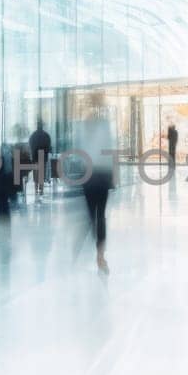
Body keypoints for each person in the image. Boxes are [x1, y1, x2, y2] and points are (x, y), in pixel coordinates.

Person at [77, 96, 115, 274]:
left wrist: (114, 172)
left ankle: (100, 254)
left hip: (100, 174)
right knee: (94, 216)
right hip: (91, 175)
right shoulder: (85, 127)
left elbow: (109, 149)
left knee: (99, 215)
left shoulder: (100, 125)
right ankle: (99, 250)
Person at [28, 120, 51, 198]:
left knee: (36, 174)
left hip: (35, 157)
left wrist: (32, 155)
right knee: (41, 174)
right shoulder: (46, 135)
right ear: (42, 125)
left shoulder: (33, 135)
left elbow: (30, 146)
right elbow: (48, 147)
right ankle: (41, 191)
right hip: (43, 157)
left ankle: (36, 190)